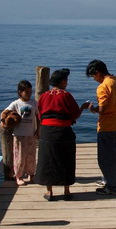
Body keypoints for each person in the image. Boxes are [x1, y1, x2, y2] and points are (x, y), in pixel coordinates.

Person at [34, 69, 91, 201]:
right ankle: (66, 191)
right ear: (62, 81)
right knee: (66, 159)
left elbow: (40, 114)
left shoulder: (44, 96)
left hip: (47, 131)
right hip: (63, 131)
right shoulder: (66, 95)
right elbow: (75, 114)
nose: (67, 82)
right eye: (66, 80)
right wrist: (82, 107)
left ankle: (49, 192)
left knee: (48, 160)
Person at [86, 59, 116, 195]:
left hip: (107, 126)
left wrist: (92, 109)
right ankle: (112, 181)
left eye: (93, 76)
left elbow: (103, 109)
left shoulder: (103, 86)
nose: (94, 79)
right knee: (114, 156)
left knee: (105, 159)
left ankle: (113, 187)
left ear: (98, 73)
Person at [4, 80, 38, 186]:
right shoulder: (15, 104)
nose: (29, 93)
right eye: (26, 92)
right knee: (19, 156)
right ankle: (18, 176)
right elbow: (5, 113)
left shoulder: (34, 103)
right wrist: (5, 122)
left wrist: (38, 130)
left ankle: (31, 174)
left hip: (31, 134)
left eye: (30, 91)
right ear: (20, 92)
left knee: (31, 156)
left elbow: (38, 117)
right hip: (19, 135)